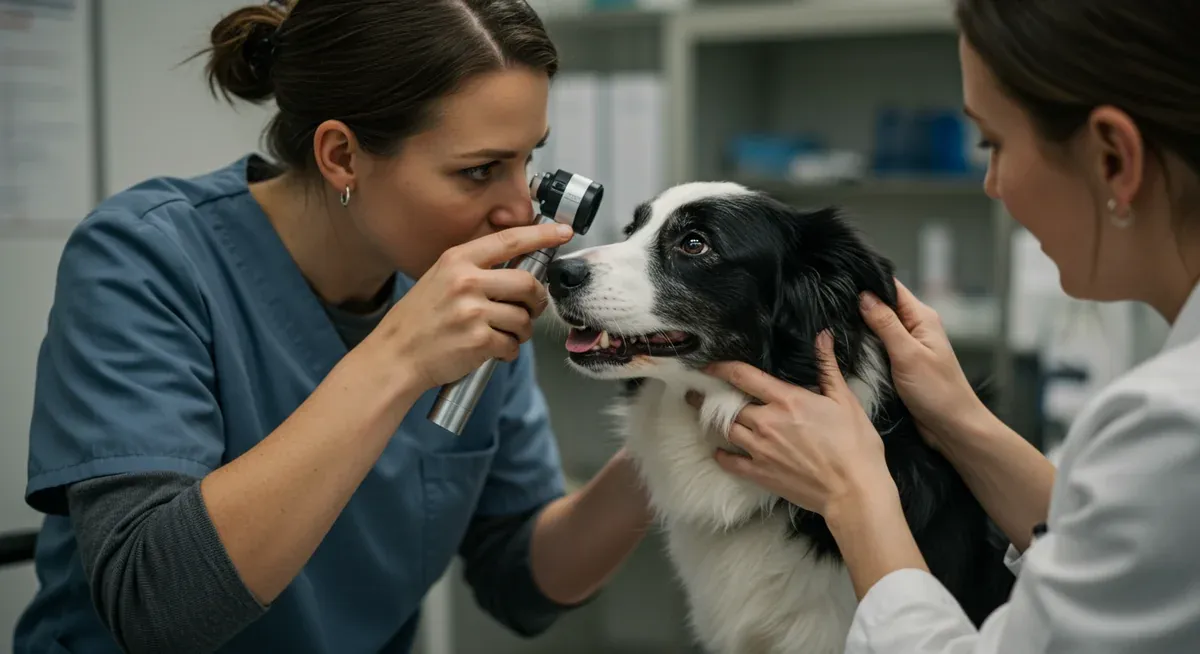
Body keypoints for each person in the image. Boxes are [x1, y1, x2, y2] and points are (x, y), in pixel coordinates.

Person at [12, 2, 653, 653]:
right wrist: (399, 360)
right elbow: (158, 605)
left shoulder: (463, 289)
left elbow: (519, 578)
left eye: (528, 160)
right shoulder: (145, 258)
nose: (520, 207)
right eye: (479, 171)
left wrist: (663, 454)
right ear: (342, 155)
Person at [696, 1, 1200, 652]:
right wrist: (956, 419)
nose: (991, 185)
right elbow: (1128, 551)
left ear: (1113, 159)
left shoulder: (1171, 427)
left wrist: (854, 491)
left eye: (995, 143)